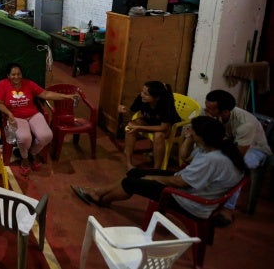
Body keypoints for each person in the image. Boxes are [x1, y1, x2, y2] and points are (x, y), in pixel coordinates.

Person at [71, 116, 246, 219]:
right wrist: (189, 138)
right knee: (134, 172)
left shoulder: (213, 159)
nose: (190, 131)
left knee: (132, 182)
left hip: (190, 201)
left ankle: (101, 198)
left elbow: (180, 182)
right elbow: (185, 158)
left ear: (203, 136)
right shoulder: (213, 146)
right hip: (188, 185)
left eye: (193, 130)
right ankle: (97, 192)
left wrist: (153, 178)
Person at [0, 62, 78, 176]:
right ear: (8, 76)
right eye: (13, 74)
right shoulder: (2, 84)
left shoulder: (29, 84)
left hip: (33, 115)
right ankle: (24, 158)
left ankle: (32, 153)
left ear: (22, 74)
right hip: (16, 117)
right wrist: (9, 113)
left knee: (47, 136)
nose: (16, 77)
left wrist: (67, 97)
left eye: (19, 74)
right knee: (24, 138)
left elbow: (46, 94)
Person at [202, 89, 271, 225]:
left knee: (234, 167)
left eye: (210, 109)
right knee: (202, 153)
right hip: (231, 143)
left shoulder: (245, 125)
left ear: (225, 112)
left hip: (255, 149)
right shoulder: (209, 112)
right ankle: (203, 195)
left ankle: (228, 210)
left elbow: (238, 156)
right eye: (206, 106)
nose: (206, 110)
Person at [118, 81, 181, 170]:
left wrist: (139, 127)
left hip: (168, 128)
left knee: (158, 135)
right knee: (130, 126)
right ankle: (128, 163)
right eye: (142, 92)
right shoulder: (141, 98)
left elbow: (163, 127)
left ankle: (156, 169)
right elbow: (131, 111)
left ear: (157, 98)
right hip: (150, 122)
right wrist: (124, 110)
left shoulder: (165, 104)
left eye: (146, 94)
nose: (142, 95)